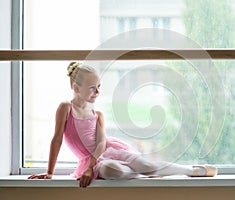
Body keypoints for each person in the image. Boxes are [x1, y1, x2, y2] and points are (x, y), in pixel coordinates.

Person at [28, 62, 218, 187]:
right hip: (92, 163)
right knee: (112, 171)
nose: (97, 92)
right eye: (92, 88)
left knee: (145, 163)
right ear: (76, 88)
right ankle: (145, 175)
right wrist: (49, 172)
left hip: (106, 153)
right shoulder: (66, 108)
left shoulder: (98, 114)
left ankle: (193, 170)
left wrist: (90, 166)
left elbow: (102, 144)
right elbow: (57, 140)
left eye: (99, 87)